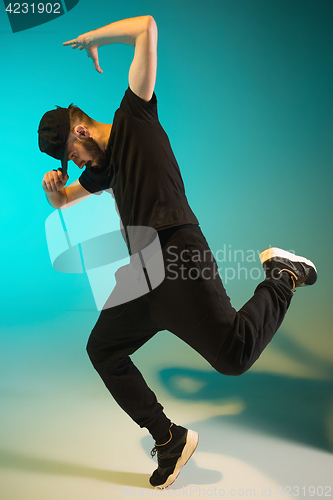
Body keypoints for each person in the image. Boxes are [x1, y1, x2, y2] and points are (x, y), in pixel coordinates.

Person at [38, 15, 317, 489]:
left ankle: (283, 275)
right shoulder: (104, 170)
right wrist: (56, 191)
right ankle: (169, 438)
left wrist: (93, 38)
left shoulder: (134, 116)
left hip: (178, 255)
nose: (76, 165)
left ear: (80, 133)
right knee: (103, 350)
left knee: (234, 356)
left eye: (71, 156)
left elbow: (146, 28)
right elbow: (66, 201)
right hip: (143, 272)